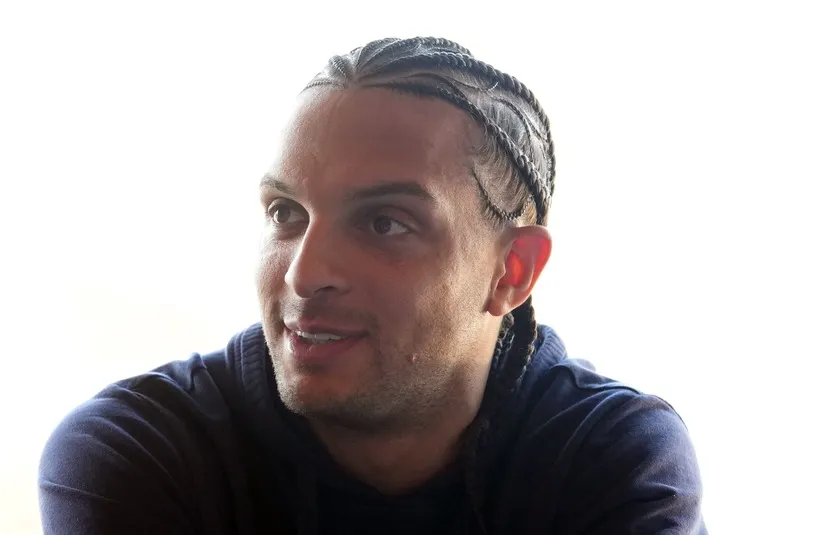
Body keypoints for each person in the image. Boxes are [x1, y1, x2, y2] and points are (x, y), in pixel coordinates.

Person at [38, 37, 707, 534]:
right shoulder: (142, 452)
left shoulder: (608, 456)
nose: (304, 272)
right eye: (286, 215)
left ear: (512, 272)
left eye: (384, 222)